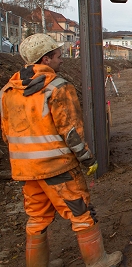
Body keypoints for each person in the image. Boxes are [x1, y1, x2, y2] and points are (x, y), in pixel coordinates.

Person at [0, 34, 122, 267]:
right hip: (58, 169)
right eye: (58, 56)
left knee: (36, 217)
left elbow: (6, 133)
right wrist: (87, 159)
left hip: (25, 171)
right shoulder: (58, 87)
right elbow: (71, 132)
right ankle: (98, 261)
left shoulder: (7, 91)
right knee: (81, 212)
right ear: (45, 59)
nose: (62, 60)